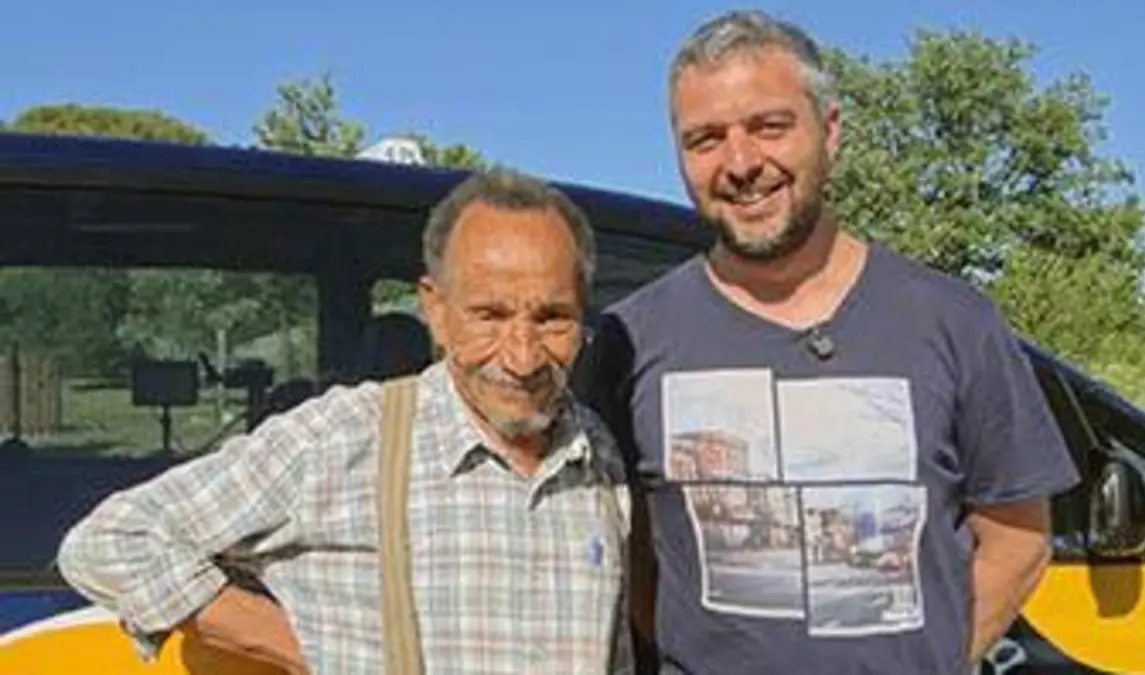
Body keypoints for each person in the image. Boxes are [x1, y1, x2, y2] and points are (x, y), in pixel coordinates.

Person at [580, 10, 1080, 675]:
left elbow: (1018, 540)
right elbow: (629, 553)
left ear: (831, 130)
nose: (740, 163)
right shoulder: (632, 337)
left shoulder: (955, 321)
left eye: (769, 126)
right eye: (705, 139)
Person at [57, 168, 633, 675]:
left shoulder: (596, 452)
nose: (523, 357)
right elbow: (112, 542)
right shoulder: (347, 438)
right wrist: (298, 647)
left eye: (552, 318)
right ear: (435, 309)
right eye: (489, 315)